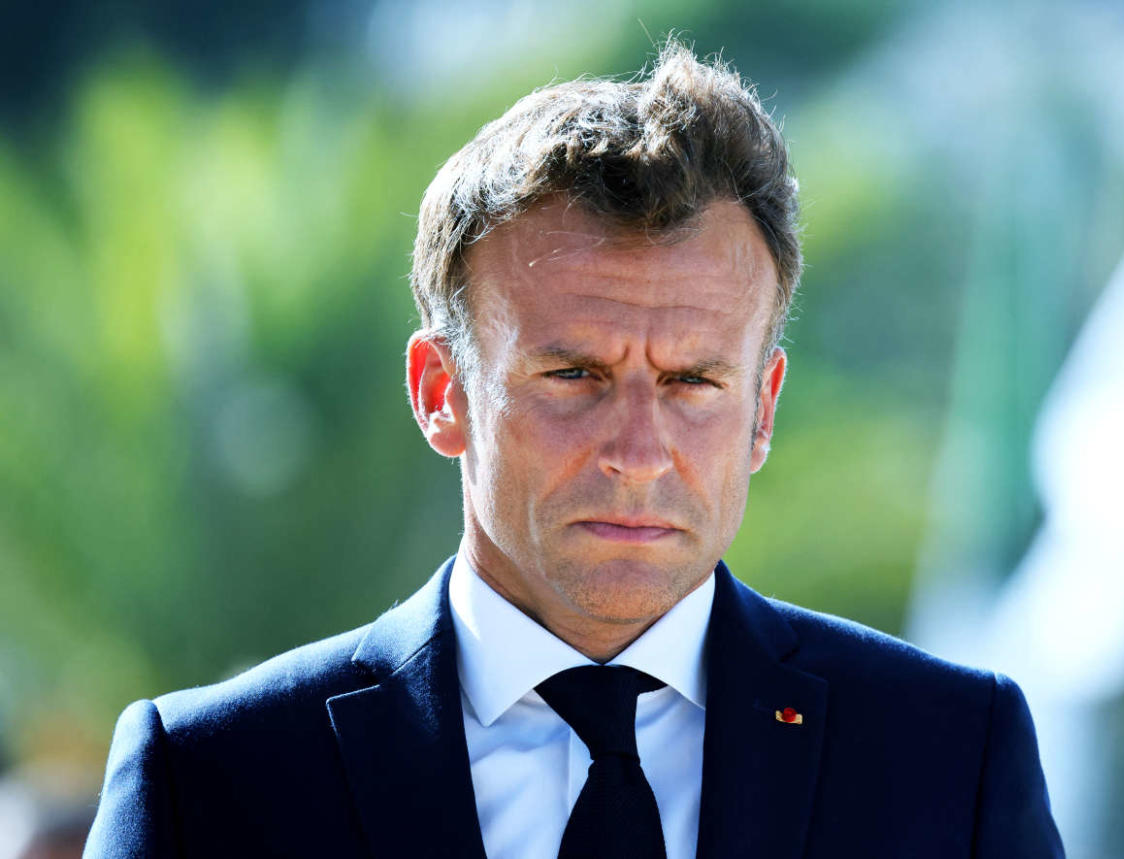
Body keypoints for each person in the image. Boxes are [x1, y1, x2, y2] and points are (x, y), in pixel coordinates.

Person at [84, 43, 1063, 858]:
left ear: (762, 410)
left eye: (693, 382)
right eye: (574, 377)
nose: (638, 450)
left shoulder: (948, 757)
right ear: (440, 392)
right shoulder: (209, 780)